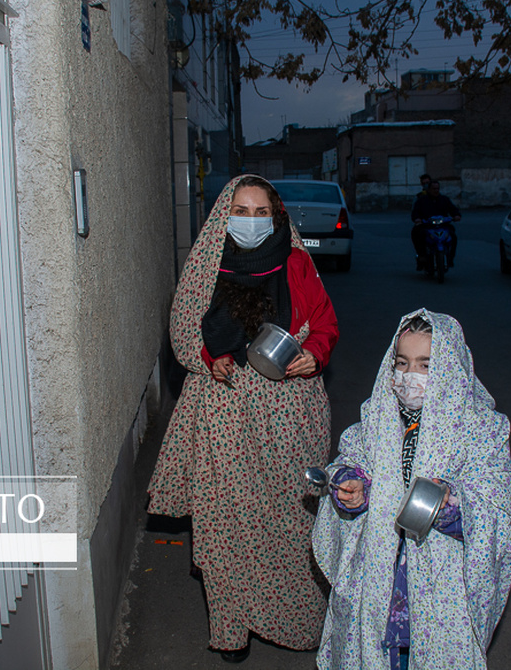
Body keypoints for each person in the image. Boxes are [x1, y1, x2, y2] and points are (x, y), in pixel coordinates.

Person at [148, 174, 339, 663]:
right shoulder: (206, 264)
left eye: (261, 213)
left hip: (290, 416)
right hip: (224, 413)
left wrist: (314, 354)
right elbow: (184, 329)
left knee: (292, 522)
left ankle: (295, 619)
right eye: (240, 211)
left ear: (276, 217)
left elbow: (325, 322)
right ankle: (230, 629)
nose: (250, 221)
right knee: (224, 524)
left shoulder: (296, 262)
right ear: (222, 216)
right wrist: (208, 359)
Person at [311, 309, 511, 670]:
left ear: (451, 367)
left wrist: (451, 506)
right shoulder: (378, 419)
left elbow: (497, 507)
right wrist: (353, 487)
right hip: (378, 576)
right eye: (402, 363)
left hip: (443, 586)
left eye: (426, 365)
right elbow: (351, 460)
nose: (411, 375)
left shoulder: (482, 431)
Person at [410, 181, 461, 270]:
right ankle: (422, 255)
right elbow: (415, 212)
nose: (436, 191)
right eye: (434, 189)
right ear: (429, 189)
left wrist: (456, 215)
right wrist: (417, 219)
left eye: (437, 188)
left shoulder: (444, 199)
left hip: (443, 225)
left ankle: (450, 258)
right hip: (427, 226)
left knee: (453, 236)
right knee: (417, 233)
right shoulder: (422, 200)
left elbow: (453, 209)